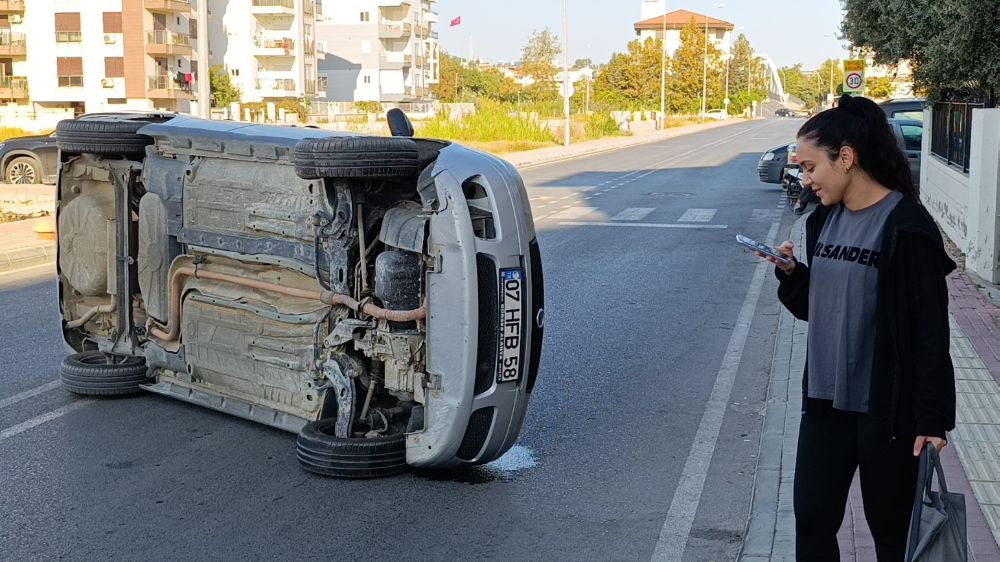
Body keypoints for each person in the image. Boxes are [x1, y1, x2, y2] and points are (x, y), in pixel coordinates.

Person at [754, 94, 956, 561]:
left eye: (809, 167)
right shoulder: (823, 219)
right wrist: (791, 275)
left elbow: (929, 331)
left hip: (886, 411)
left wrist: (933, 419)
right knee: (812, 524)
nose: (805, 179)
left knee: (889, 533)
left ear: (845, 158)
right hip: (824, 402)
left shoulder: (906, 225)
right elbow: (818, 307)